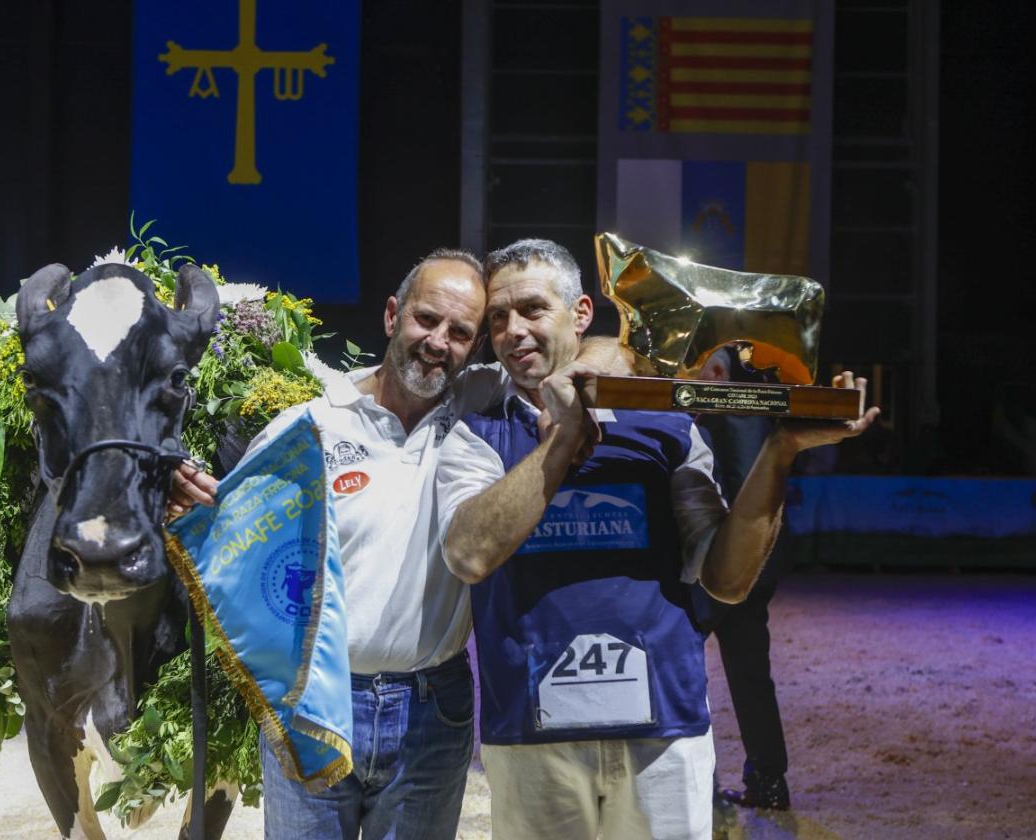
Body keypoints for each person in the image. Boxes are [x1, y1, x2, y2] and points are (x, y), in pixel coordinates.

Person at [436, 239, 878, 840]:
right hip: (529, 735)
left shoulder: (667, 428)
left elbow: (726, 579)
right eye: (498, 318)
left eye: (533, 309)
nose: (513, 330)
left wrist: (781, 450)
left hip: (663, 731)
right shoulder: (477, 436)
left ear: (582, 314)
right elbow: (469, 554)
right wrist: (560, 442)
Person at [171, 248, 500, 840]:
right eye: (427, 319)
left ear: (473, 348)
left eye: (460, 332)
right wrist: (185, 502)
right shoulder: (309, 428)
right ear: (393, 315)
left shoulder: (473, 445)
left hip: (432, 711)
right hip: (315, 701)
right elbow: (237, 543)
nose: (438, 341)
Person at [693, 346, 793, 812]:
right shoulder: (762, 402)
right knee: (753, 676)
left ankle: (701, 789)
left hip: (703, 562)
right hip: (756, 564)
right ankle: (769, 782)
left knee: (687, 674)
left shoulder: (704, 400)